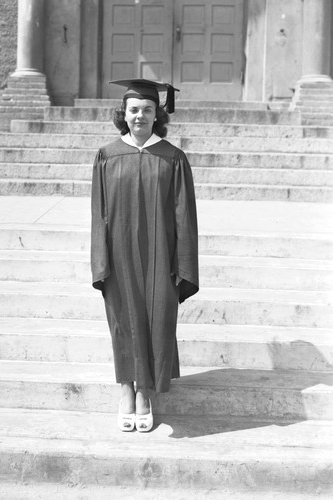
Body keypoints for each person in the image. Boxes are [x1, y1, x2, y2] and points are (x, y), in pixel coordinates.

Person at [91, 78, 199, 432]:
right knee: (123, 320)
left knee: (157, 319)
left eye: (147, 110)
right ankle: (126, 389)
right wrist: (100, 260)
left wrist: (182, 263)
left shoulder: (172, 158)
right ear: (123, 114)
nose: (140, 116)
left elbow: (185, 215)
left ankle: (146, 393)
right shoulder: (107, 155)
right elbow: (99, 213)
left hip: (160, 257)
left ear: (158, 115)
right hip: (119, 255)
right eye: (134, 110)